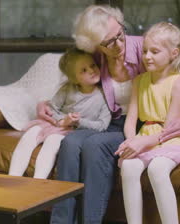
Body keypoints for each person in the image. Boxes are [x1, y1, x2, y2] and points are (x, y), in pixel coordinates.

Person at [41, 5, 180, 224]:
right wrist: (46, 104)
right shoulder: (97, 58)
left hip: (144, 125)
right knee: (70, 143)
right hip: (114, 122)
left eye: (120, 34)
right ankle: (60, 221)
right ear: (96, 45)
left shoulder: (145, 48)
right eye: (109, 42)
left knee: (95, 146)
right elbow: (74, 83)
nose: (118, 44)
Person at [115, 22, 180, 224]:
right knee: (129, 166)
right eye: (145, 51)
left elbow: (169, 129)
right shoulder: (139, 81)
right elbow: (131, 119)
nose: (147, 56)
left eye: (155, 52)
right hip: (147, 134)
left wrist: (142, 143)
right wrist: (131, 141)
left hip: (174, 137)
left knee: (157, 168)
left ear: (174, 53)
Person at [9, 48, 111, 179]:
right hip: (56, 124)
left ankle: (38, 181)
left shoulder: (104, 95)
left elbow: (102, 126)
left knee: (52, 141)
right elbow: (52, 108)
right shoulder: (67, 89)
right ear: (75, 79)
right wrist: (62, 121)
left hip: (72, 130)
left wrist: (77, 122)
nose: (91, 71)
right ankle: (12, 178)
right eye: (84, 70)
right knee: (30, 135)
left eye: (92, 65)